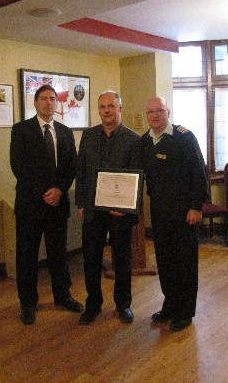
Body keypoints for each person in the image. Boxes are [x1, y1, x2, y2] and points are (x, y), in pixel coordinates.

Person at [10, 84, 84, 325]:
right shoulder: (21, 130)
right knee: (27, 256)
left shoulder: (64, 131)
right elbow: (18, 167)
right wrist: (45, 192)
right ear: (35, 103)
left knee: (58, 254)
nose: (49, 103)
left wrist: (60, 190)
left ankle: (62, 296)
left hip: (57, 204)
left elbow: (71, 165)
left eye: (53, 99)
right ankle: (28, 303)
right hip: (30, 204)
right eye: (43, 99)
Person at [141, 96, 208, 331]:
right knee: (165, 260)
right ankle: (170, 305)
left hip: (184, 212)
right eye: (150, 112)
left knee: (185, 263)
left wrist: (196, 206)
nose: (155, 115)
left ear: (168, 111)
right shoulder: (146, 142)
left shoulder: (184, 137)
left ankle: (185, 312)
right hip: (160, 213)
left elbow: (199, 173)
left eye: (159, 110)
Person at [75, 91, 141, 325]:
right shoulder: (89, 136)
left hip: (120, 211)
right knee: (91, 258)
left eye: (111, 106)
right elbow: (81, 171)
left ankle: (123, 304)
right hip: (93, 209)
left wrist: (128, 208)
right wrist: (81, 202)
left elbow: (136, 178)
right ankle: (93, 305)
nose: (107, 111)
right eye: (103, 107)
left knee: (122, 259)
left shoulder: (134, 139)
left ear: (120, 108)